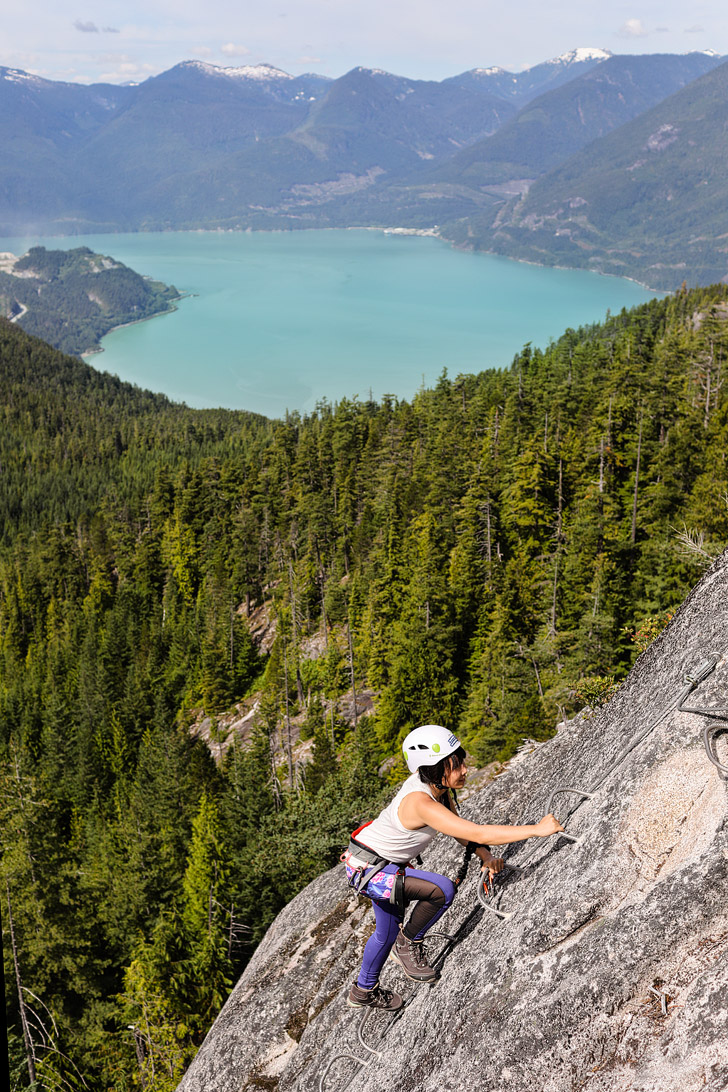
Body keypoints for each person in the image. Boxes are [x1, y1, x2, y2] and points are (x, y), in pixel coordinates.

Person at [343, 724, 564, 1011]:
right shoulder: (421, 802)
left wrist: (484, 856)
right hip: (371, 870)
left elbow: (462, 832)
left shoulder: (438, 790)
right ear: (434, 769)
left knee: (384, 933)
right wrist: (536, 830)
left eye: (461, 761)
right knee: (441, 890)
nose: (464, 770)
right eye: (455, 764)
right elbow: (478, 831)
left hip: (374, 865)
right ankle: (408, 942)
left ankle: (362, 991)